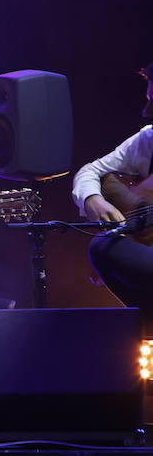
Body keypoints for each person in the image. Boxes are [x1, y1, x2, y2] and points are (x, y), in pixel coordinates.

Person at [72, 60, 153, 324]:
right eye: (149, 99)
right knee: (103, 246)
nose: (147, 110)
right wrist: (93, 200)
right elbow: (90, 171)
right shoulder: (148, 140)